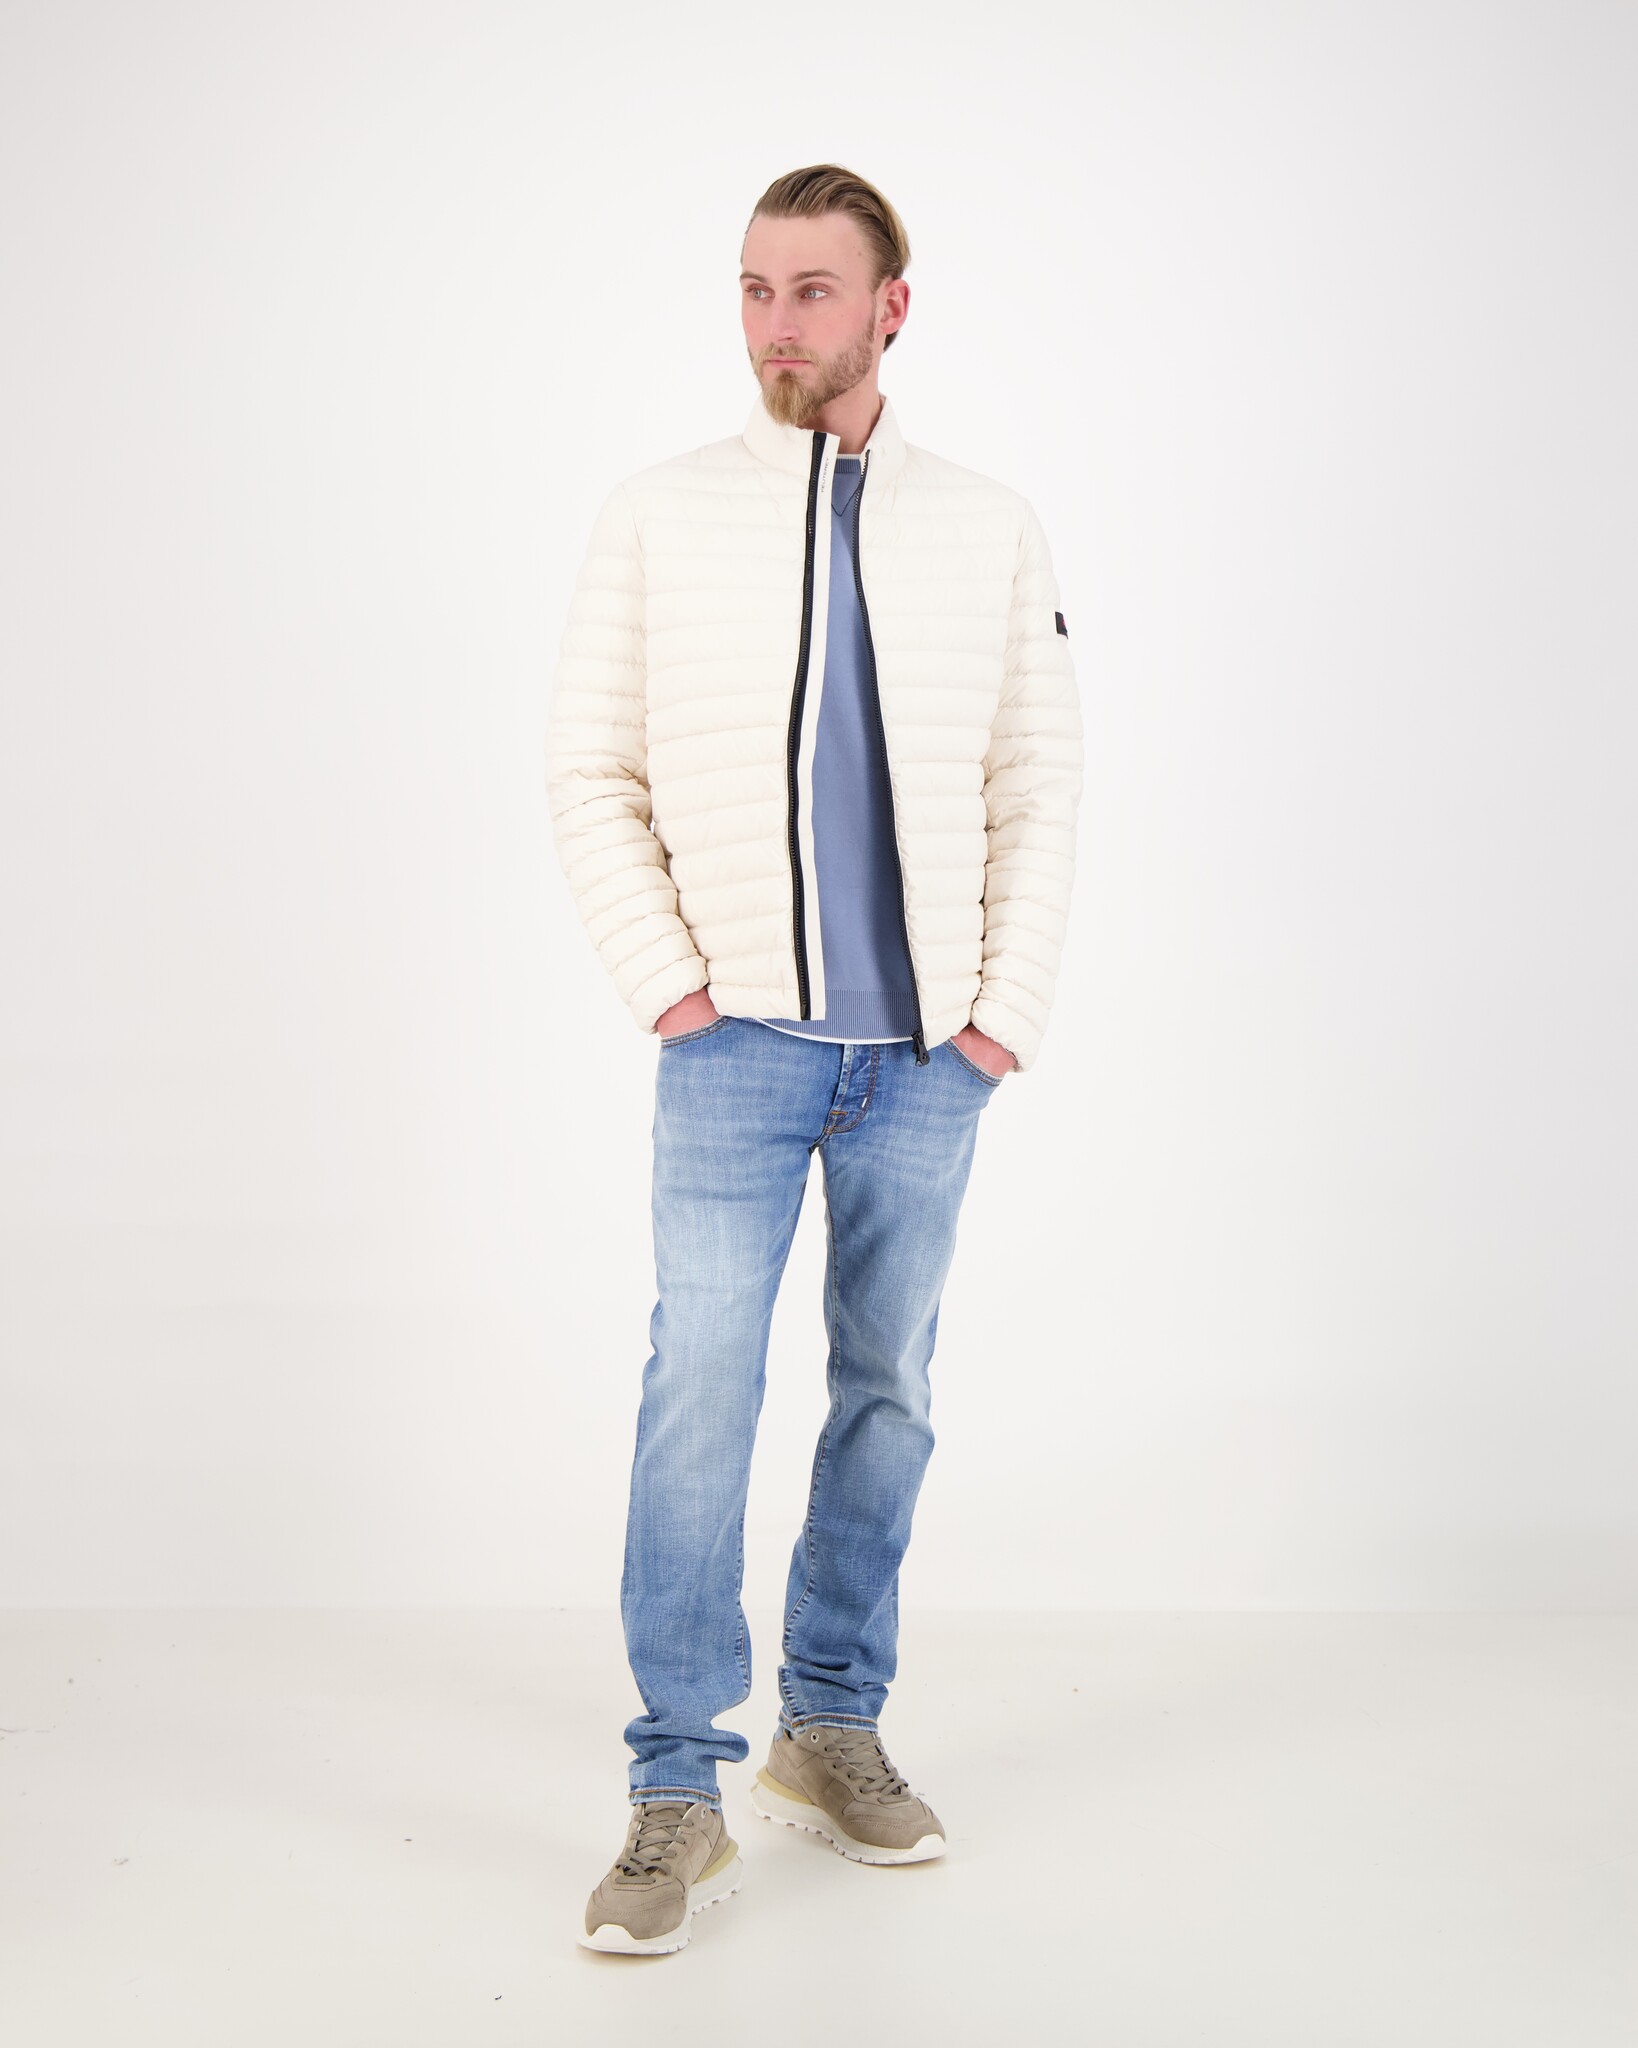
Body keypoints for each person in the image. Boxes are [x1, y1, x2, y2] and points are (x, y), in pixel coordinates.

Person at [546, 162, 1084, 1955]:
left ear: (887, 309)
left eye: (811, 291)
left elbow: (1035, 779)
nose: (775, 325)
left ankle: (829, 1723)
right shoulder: (658, 515)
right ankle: (674, 1784)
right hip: (735, 1049)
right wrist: (672, 989)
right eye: (754, 289)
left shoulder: (987, 526)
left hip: (923, 1060)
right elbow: (589, 769)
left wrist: (999, 1016)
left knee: (887, 1392)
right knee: (698, 1390)